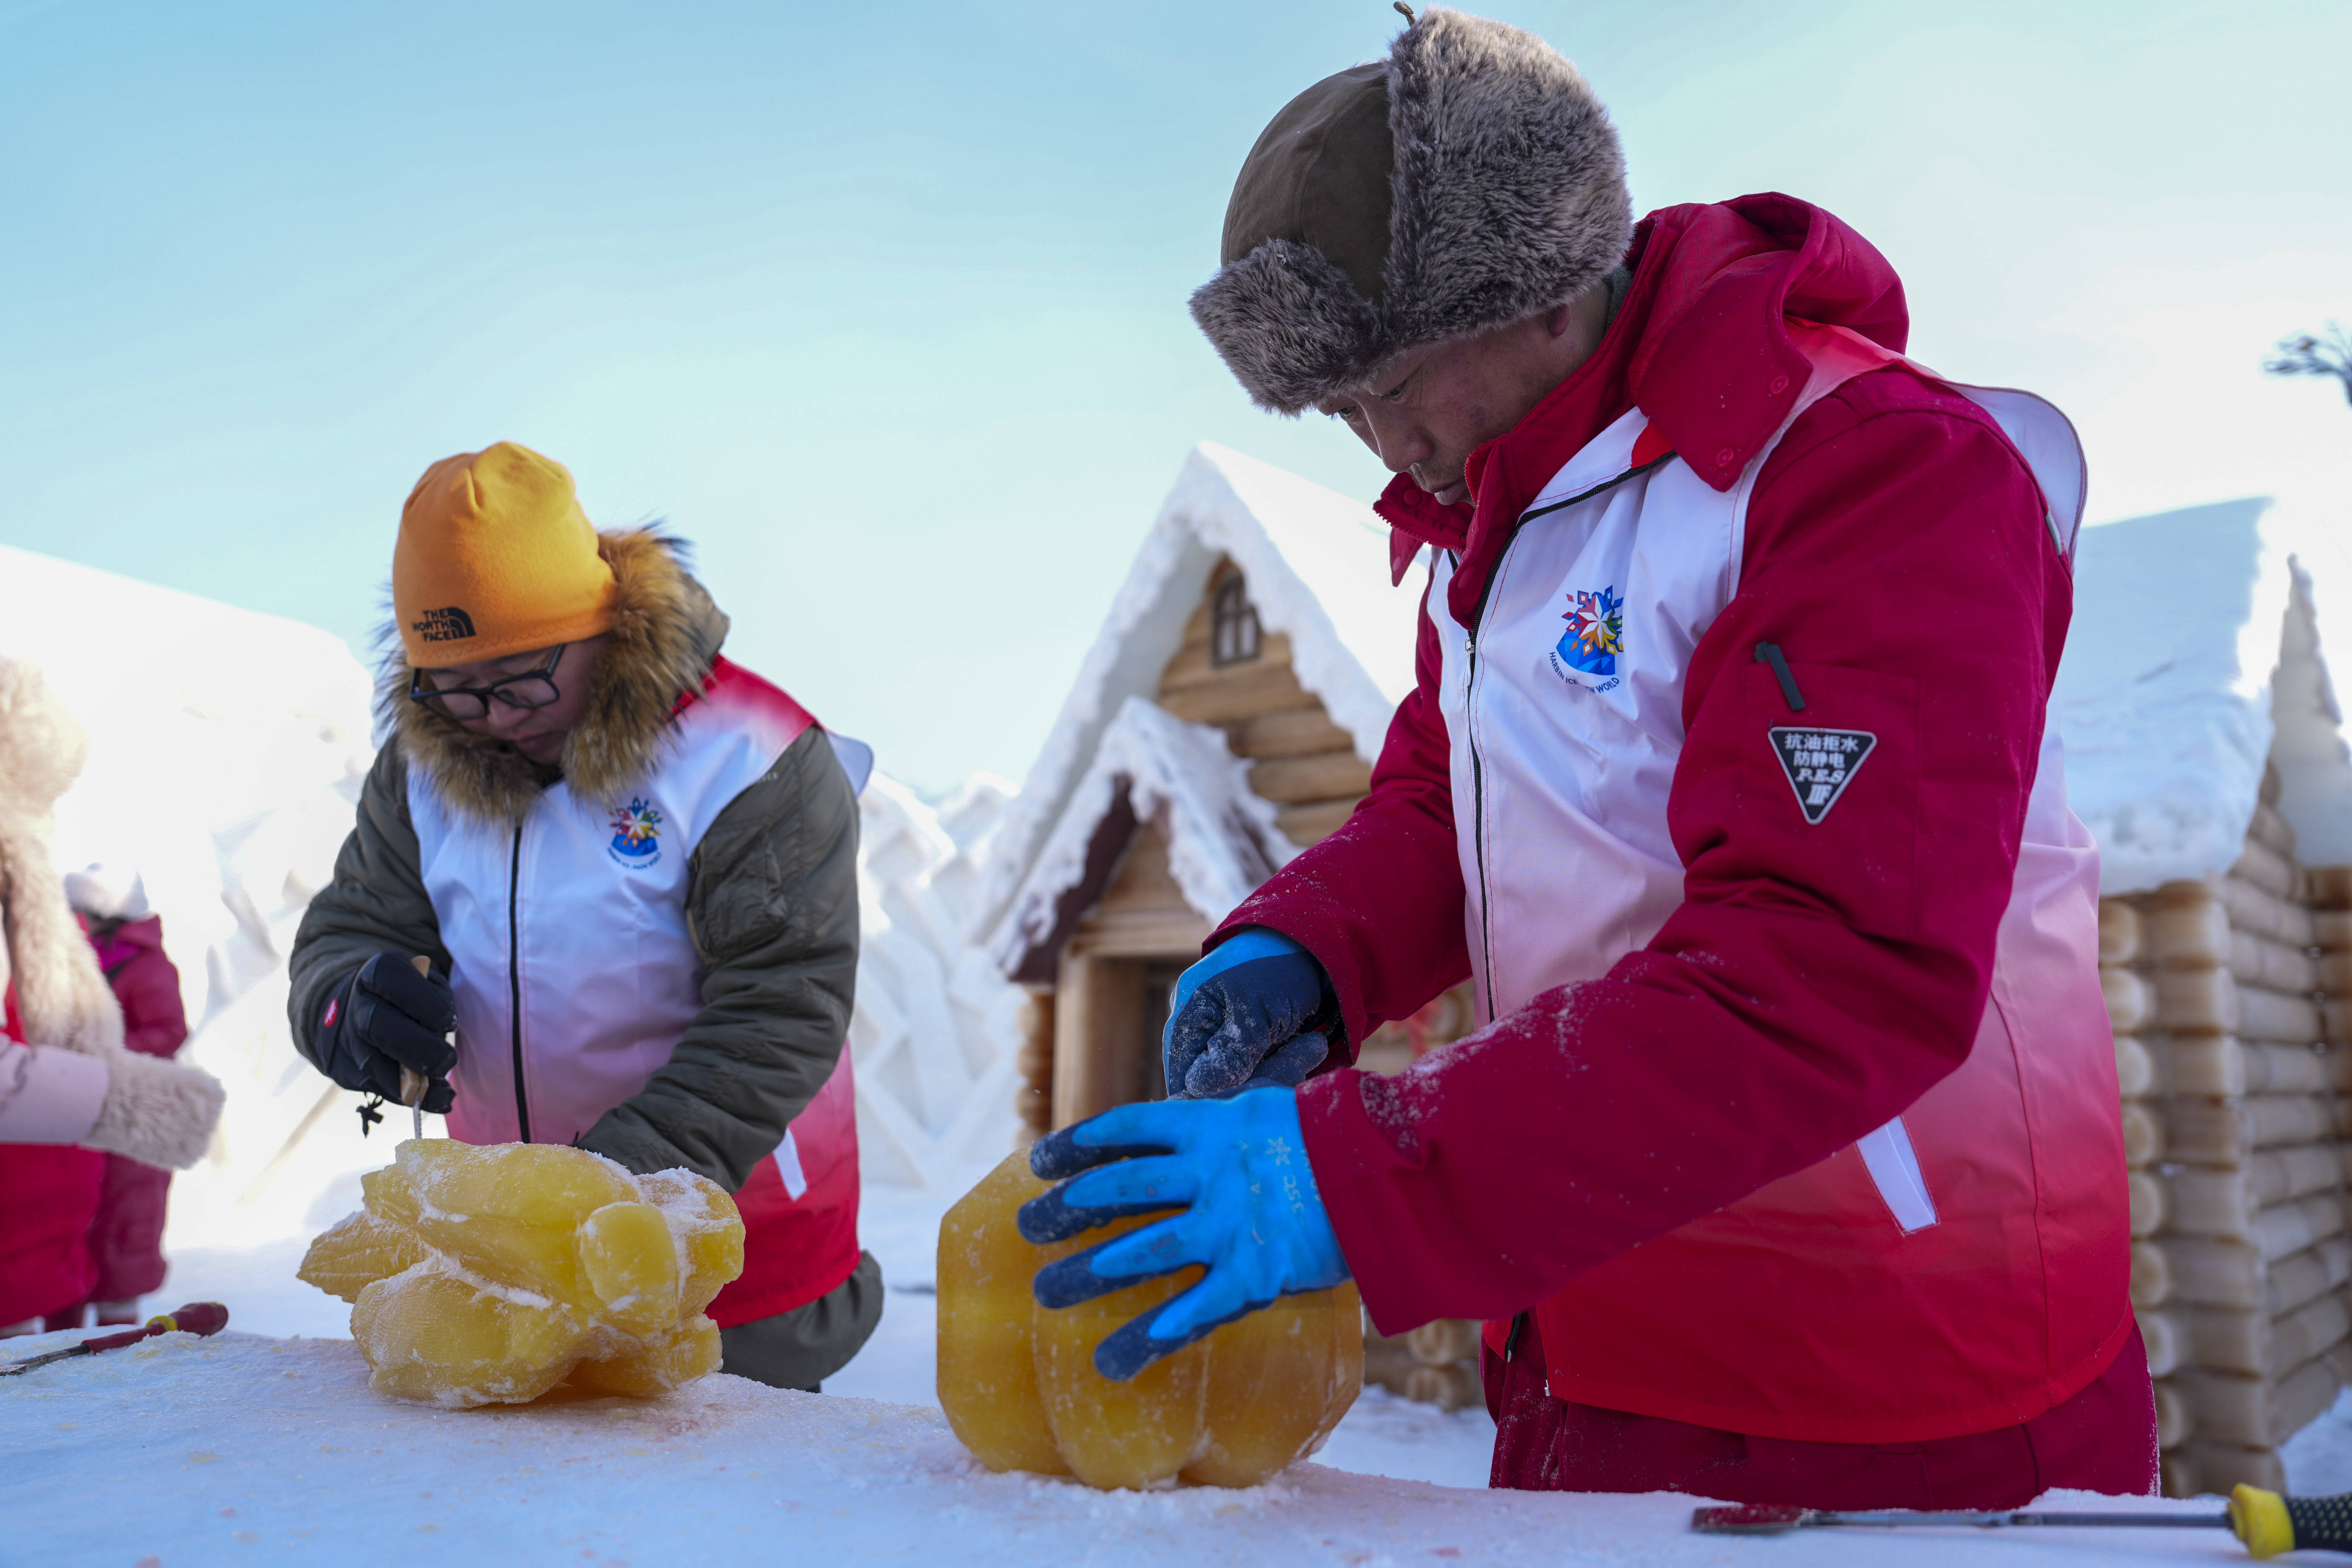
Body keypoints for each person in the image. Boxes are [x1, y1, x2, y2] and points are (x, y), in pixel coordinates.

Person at [1023, 6, 2148, 1508]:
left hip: (1891, 1394)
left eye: (1387, 380)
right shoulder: (1494, 523)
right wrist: (1304, 949)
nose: (1370, 439)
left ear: (1536, 290)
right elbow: (1446, 798)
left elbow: (1831, 969)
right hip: (1594, 1337)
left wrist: (1359, 1179)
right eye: (1332, 400)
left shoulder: (1868, 468)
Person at [288, 442, 880, 1392]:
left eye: (521, 675)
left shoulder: (748, 754)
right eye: (453, 685)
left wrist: (596, 1194)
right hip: (510, 1264)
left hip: (734, 1246)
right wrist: (349, 1006)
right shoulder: (421, 770)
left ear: (599, 624)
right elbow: (352, 924)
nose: (489, 715)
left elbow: (782, 1003)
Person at [0, 659, 224, 1336]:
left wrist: (108, 1077)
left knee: (119, 1237)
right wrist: (108, 1088)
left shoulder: (127, 958)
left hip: (91, 1148)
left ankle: (104, 1326)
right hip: (74, 1133)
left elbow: (159, 1026)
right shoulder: (56, 931)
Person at [42, 866, 195, 1328]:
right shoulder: (68, 961)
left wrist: (103, 1053)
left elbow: (170, 1031)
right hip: (78, 1112)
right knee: (65, 1230)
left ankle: (118, 1346)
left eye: (76, 910)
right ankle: (57, 1347)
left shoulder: (147, 965)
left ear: (102, 913)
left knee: (124, 1231)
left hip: (132, 1118)